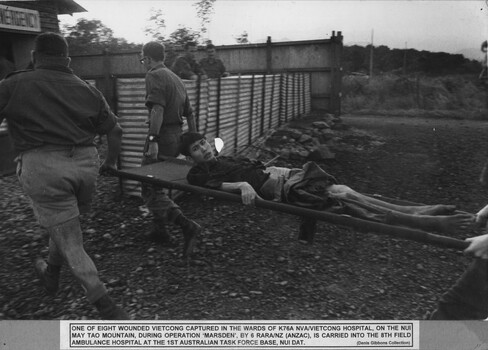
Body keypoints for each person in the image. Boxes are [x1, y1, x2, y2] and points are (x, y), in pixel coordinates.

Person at [0, 32, 128, 319]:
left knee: (71, 240)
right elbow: (115, 131)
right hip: (85, 165)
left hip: (44, 168)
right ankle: (51, 275)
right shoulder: (88, 89)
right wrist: (108, 162)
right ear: (67, 59)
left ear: (34, 58)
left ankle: (108, 307)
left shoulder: (13, 84)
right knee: (64, 224)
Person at [179, 132, 475, 240]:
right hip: (279, 187)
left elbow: (242, 165)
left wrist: (251, 171)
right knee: (345, 197)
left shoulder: (222, 155)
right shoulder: (198, 173)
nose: (203, 149)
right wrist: (241, 183)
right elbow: (217, 187)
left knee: (348, 192)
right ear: (189, 156)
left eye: (203, 142)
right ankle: (430, 221)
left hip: (283, 173)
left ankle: (427, 211)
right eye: (195, 148)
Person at [140, 41, 201, 257]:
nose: (143, 64)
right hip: (176, 136)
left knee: (148, 185)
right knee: (157, 184)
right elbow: (190, 114)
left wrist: (153, 139)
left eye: (143, 60)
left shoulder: (154, 75)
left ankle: (186, 225)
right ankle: (160, 230)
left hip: (162, 136)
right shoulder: (176, 78)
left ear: (148, 58)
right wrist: (192, 141)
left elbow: (157, 109)